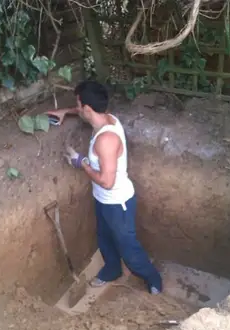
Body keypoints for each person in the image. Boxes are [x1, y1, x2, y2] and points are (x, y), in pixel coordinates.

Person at [47, 80, 162, 295]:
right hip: (103, 200)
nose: (77, 108)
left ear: (87, 109)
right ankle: (112, 270)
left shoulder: (106, 140)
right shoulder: (106, 118)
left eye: (78, 105)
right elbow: (83, 110)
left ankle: (153, 278)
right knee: (104, 238)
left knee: (129, 249)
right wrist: (65, 111)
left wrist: (81, 162)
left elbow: (107, 182)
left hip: (117, 203)